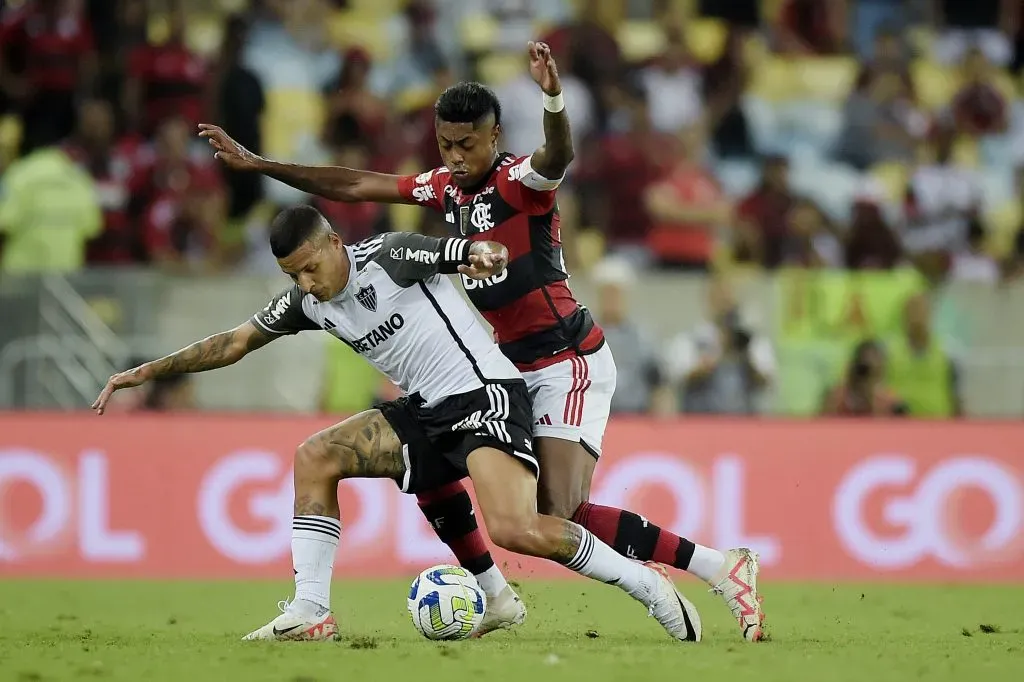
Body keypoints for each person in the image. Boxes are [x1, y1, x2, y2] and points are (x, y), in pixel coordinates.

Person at [197, 41, 763, 643]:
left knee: (554, 515)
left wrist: (552, 96)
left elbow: (560, 151)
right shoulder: (447, 189)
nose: (456, 156)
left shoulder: (522, 182)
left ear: (494, 136)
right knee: (469, 480)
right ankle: (521, 591)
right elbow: (360, 184)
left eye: (467, 144)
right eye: (445, 144)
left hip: (568, 360)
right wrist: (264, 166)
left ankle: (716, 566)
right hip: (512, 363)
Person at [91, 206, 701, 643]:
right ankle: (312, 610)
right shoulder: (307, 302)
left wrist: (481, 253)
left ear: (333, 243)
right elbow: (233, 342)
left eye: (310, 268)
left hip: (483, 395)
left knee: (517, 529)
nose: (306, 284)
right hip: (424, 410)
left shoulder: (388, 257)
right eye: (293, 277)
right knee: (316, 456)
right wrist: (147, 372)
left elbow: (459, 252)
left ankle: (648, 587)